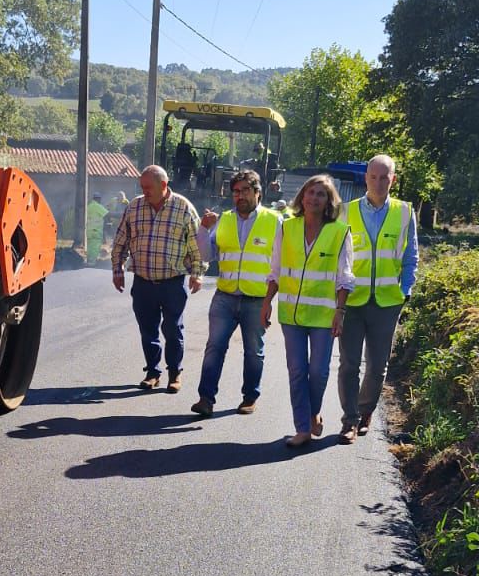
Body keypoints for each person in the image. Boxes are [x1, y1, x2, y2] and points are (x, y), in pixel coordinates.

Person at [261, 174, 353, 447]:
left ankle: (313, 412)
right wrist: (267, 302)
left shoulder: (339, 232)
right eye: (310, 192)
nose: (314, 198)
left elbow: (345, 276)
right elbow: (276, 269)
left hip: (324, 316)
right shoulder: (286, 227)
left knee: (319, 372)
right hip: (292, 314)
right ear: (302, 197)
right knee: (297, 371)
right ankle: (302, 428)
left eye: (321, 194)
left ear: (328, 201)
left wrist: (340, 311)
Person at [336, 153, 419, 443]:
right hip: (352, 301)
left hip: (387, 302)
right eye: (374, 177)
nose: (379, 182)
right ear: (366, 178)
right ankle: (349, 421)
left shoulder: (405, 212)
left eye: (385, 177)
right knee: (349, 364)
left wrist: (405, 290)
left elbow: (411, 257)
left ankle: (365, 411)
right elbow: (337, 257)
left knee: (377, 365)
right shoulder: (346, 212)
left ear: (392, 179)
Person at [191, 170, 281, 417]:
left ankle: (250, 397)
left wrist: (270, 300)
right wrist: (203, 229)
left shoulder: (275, 221)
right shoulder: (224, 220)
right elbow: (207, 255)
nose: (239, 196)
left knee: (253, 351)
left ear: (257, 192)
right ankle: (205, 399)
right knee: (214, 347)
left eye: (245, 190)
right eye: (236, 192)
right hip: (225, 296)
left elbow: (281, 263)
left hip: (257, 299)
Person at [111, 165, 202, 391]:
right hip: (143, 283)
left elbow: (197, 246)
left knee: (172, 329)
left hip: (173, 283)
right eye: (142, 187)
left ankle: (174, 374)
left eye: (148, 187)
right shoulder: (134, 207)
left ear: (163, 185)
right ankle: (153, 372)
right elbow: (121, 241)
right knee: (148, 330)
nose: (144, 191)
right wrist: (117, 270)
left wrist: (197, 274)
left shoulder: (183, 207)